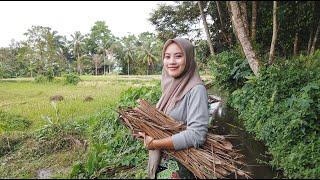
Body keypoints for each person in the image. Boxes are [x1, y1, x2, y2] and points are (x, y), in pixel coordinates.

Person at [135, 38, 209, 179]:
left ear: (189, 58)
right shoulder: (171, 86)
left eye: (179, 56)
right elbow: (164, 124)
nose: (172, 62)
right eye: (167, 56)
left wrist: (155, 143)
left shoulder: (196, 90)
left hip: (181, 167)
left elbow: (197, 135)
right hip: (163, 163)